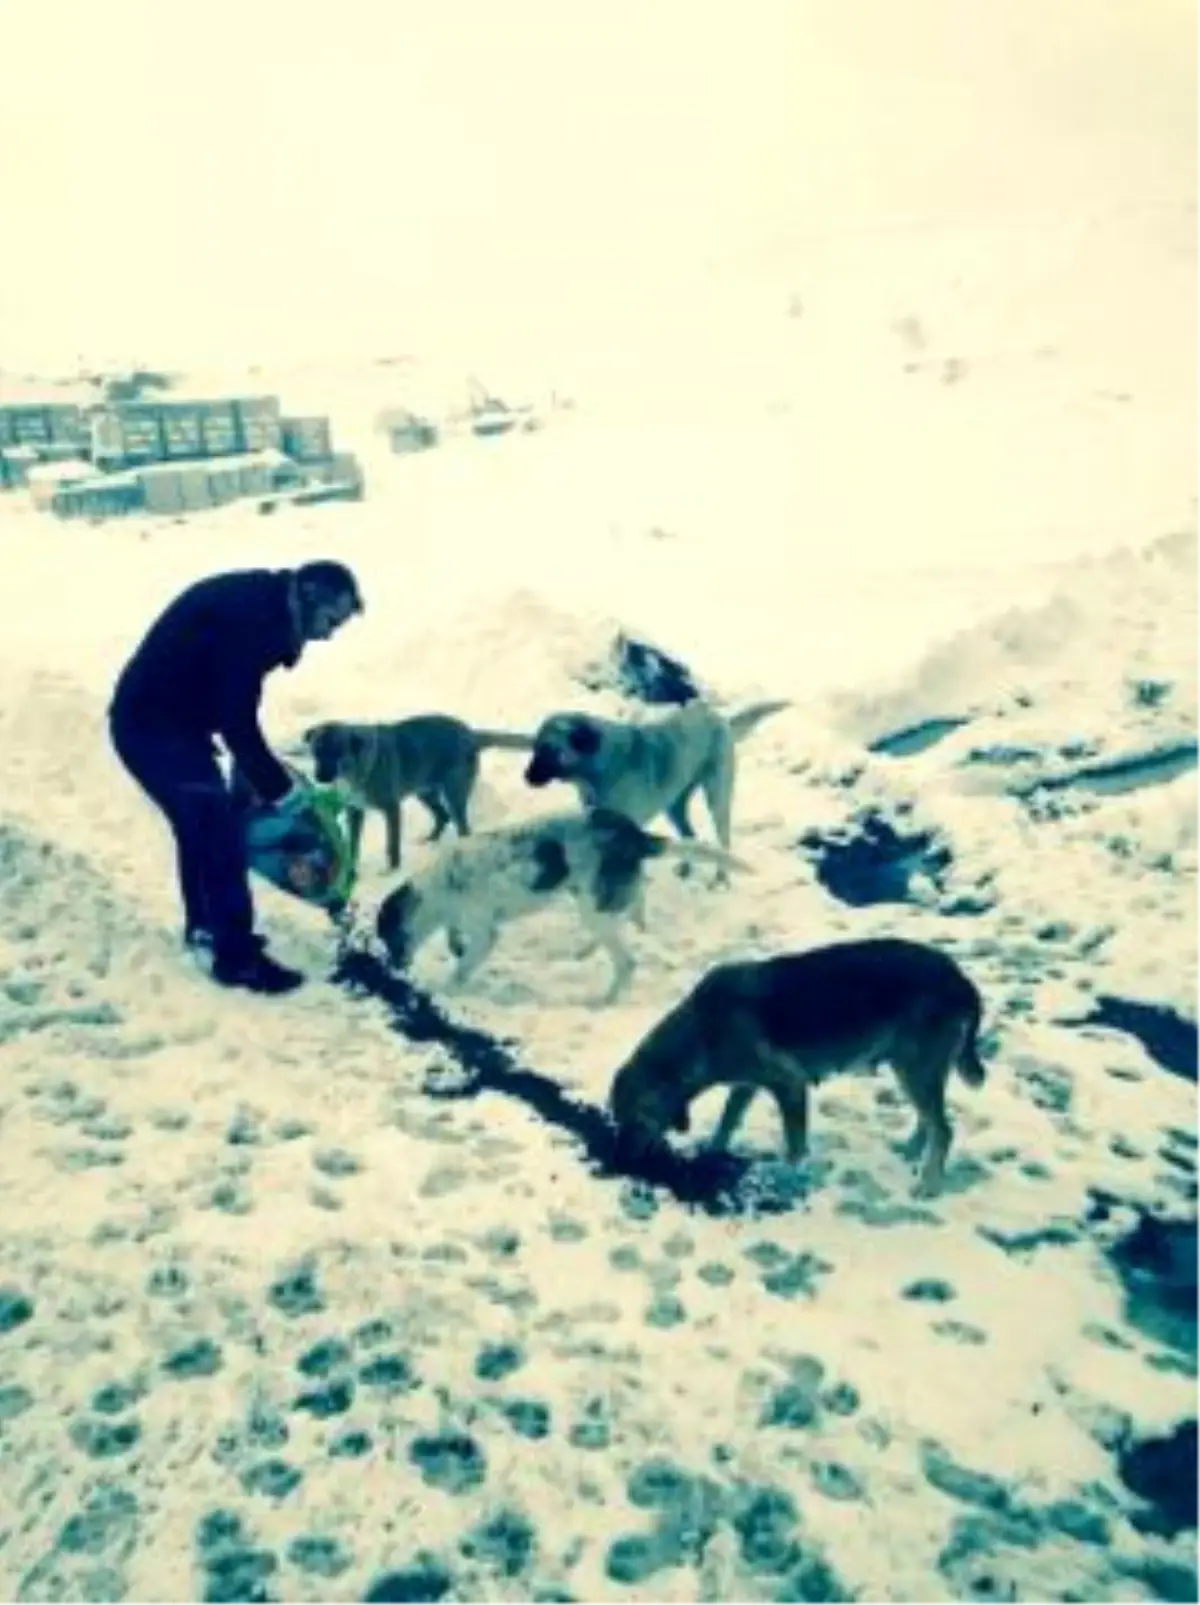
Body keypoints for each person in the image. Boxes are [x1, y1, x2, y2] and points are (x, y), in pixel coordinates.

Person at [108, 559, 363, 994]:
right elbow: (237, 720)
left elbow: (232, 709)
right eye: (330, 619)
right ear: (309, 595)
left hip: (170, 725)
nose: (329, 633)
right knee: (217, 832)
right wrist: (282, 792)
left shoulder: (264, 608)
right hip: (152, 728)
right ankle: (236, 959)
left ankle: (206, 929)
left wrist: (270, 781)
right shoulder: (252, 621)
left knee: (201, 826)